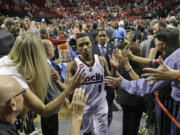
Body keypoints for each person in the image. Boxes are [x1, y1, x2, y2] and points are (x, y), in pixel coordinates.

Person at [0, 32, 85, 118]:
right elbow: (44, 110)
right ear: (36, 55)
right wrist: (69, 89)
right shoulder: (14, 77)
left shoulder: (6, 60)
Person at [66, 33, 117, 135]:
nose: (85, 47)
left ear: (92, 44)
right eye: (81, 45)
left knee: (102, 132)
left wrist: (114, 68)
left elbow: (109, 80)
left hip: (100, 102)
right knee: (87, 132)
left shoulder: (101, 60)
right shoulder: (72, 65)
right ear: (77, 47)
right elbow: (67, 88)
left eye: (87, 43)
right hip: (84, 104)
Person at [92, 29, 115, 127]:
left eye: (104, 35)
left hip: (109, 82)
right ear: (97, 38)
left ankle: (107, 126)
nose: (102, 37)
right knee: (97, 107)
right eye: (100, 36)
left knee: (109, 106)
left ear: (107, 37)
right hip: (96, 84)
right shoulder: (92, 49)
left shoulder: (113, 48)